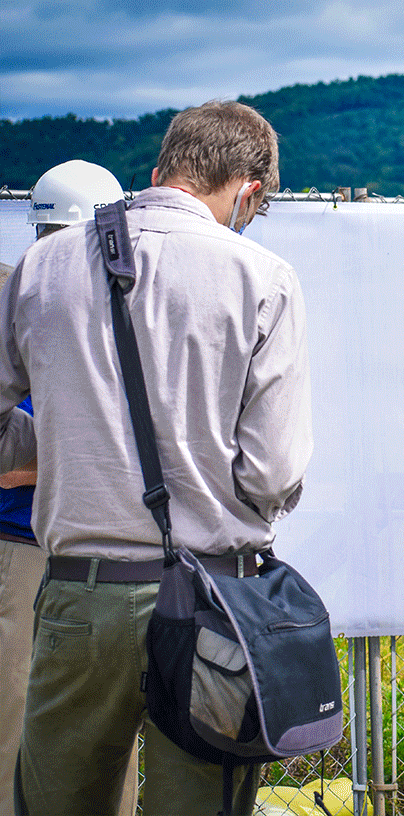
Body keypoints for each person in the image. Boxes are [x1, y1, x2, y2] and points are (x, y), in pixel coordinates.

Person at [0, 100, 312, 816]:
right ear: (248, 191)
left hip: (78, 592)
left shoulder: (42, 266)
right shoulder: (262, 277)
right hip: (211, 596)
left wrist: (60, 454)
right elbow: (273, 470)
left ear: (160, 170)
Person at [1, 160, 129, 816]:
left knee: (104, 740)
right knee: (17, 732)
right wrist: (79, 457)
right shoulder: (20, 296)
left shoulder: (120, 305)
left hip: (99, 557)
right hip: (29, 545)